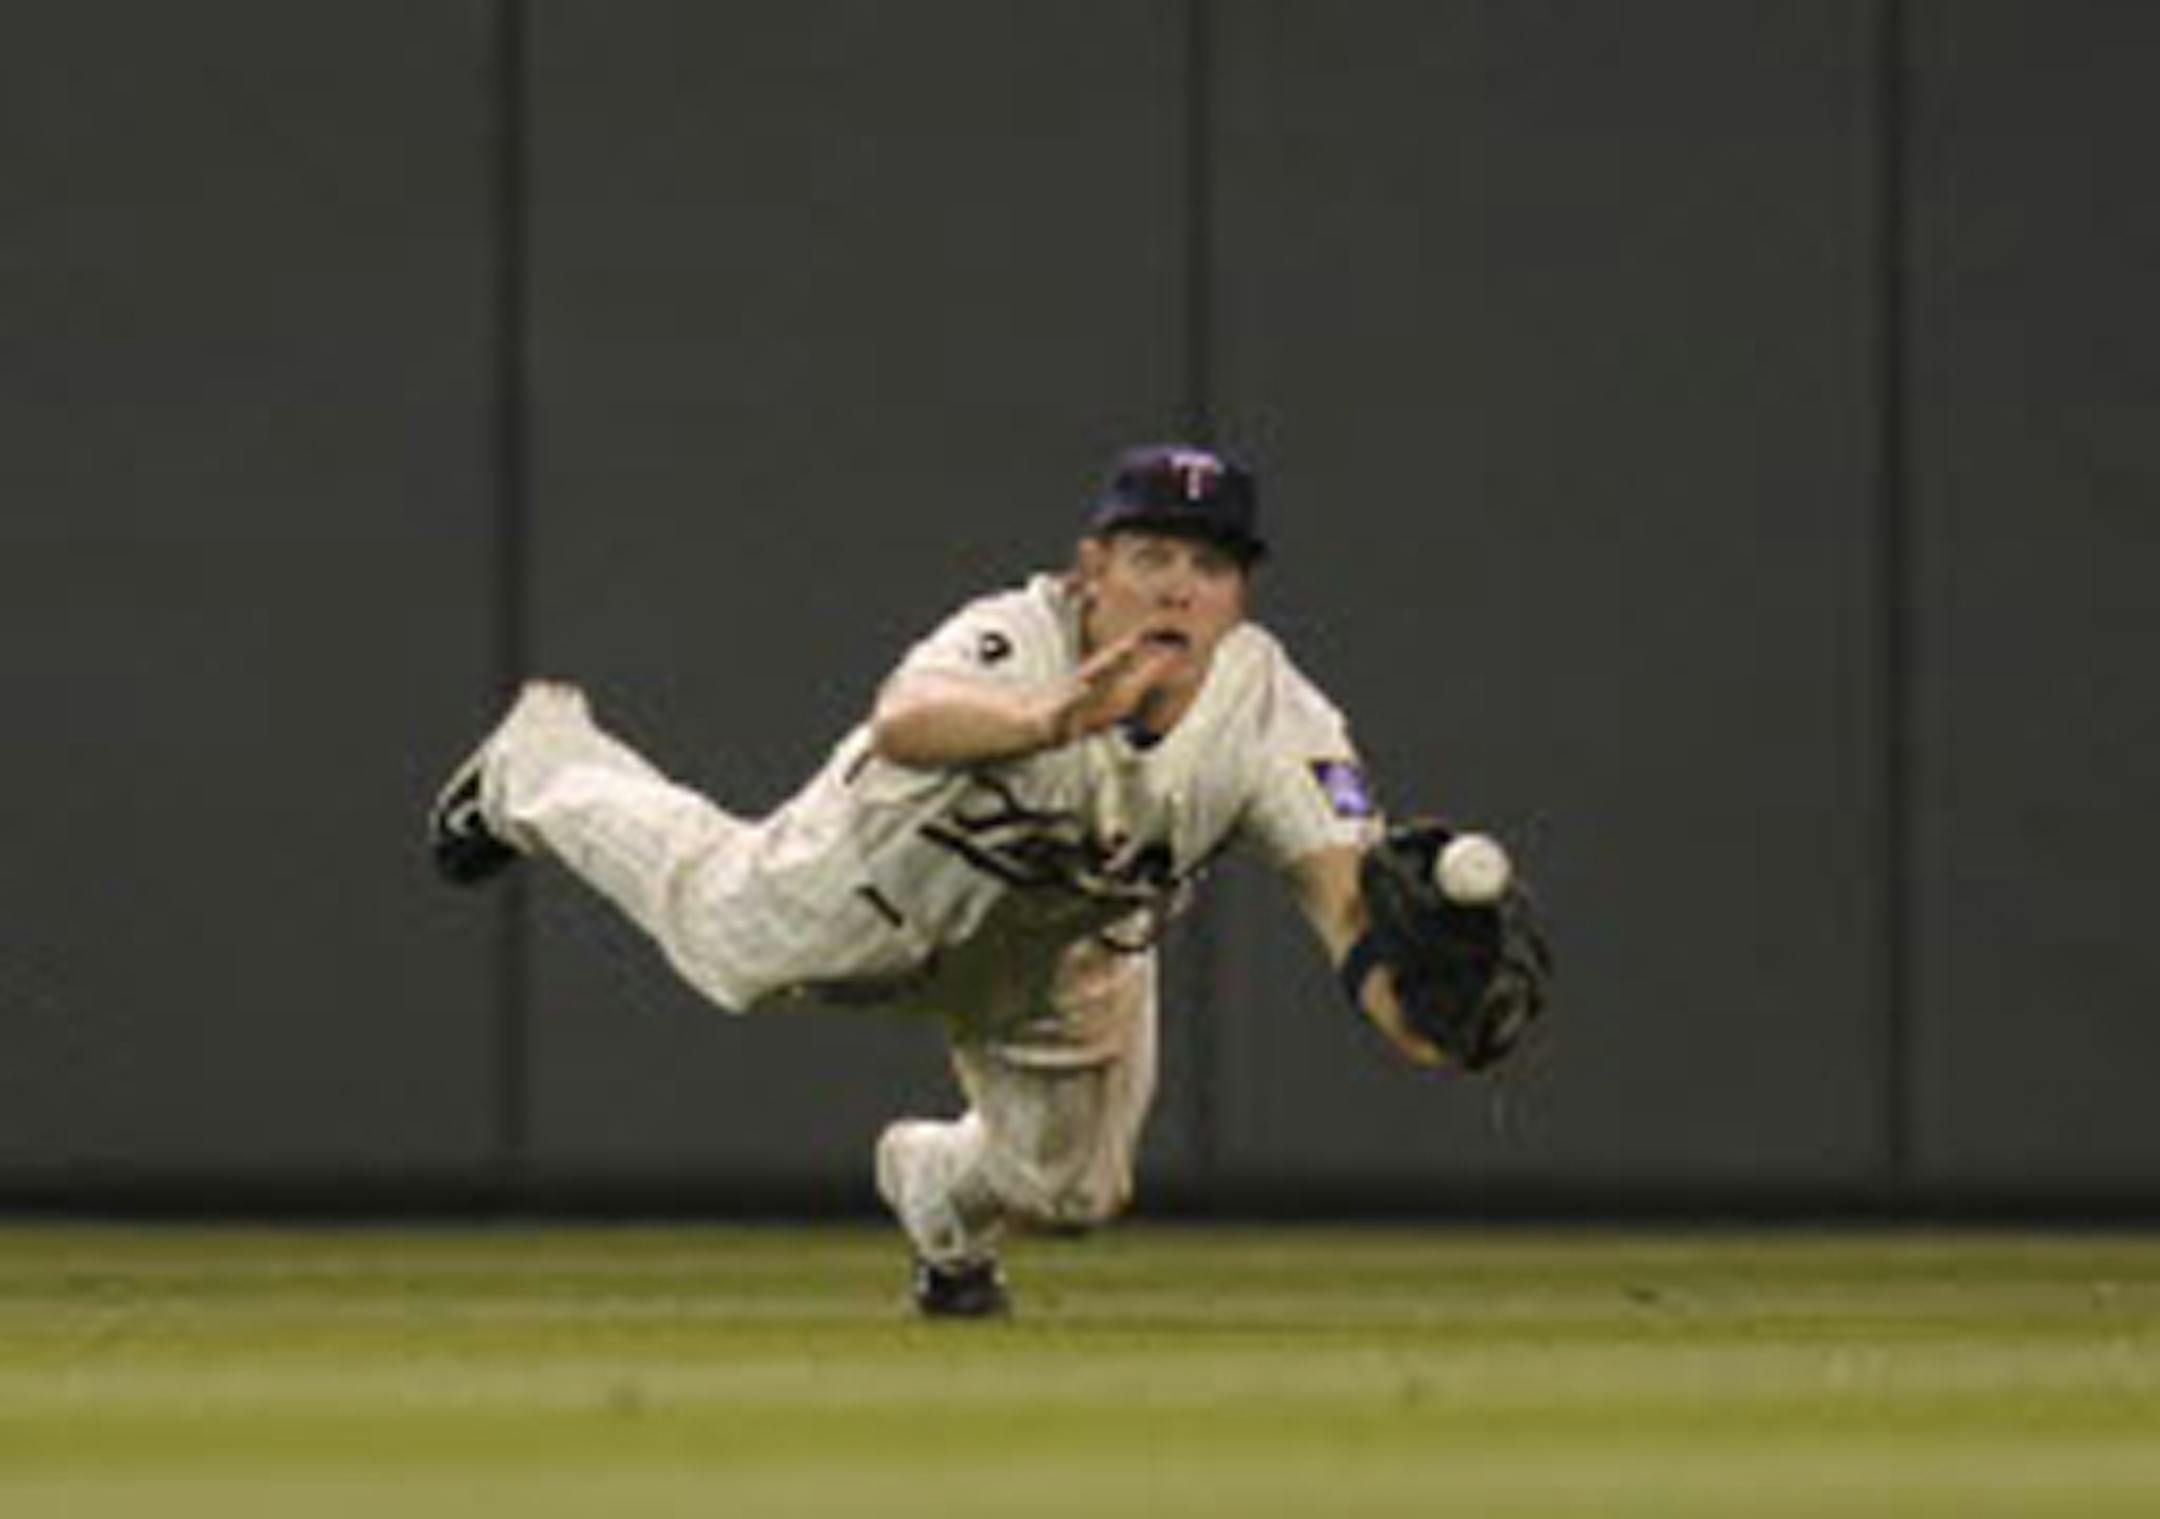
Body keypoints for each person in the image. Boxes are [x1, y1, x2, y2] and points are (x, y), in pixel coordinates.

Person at [428, 444, 1447, 1317]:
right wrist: (1044, 718)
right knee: (716, 933)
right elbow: (907, 716)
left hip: (1063, 955)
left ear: (1241, 593)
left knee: (1073, 1191)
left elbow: (1344, 904)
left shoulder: (1278, 716)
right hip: (878, 882)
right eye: (1151, 555)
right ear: (1092, 568)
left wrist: (1420, 1019)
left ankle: (934, 1198)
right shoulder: (1016, 632)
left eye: (1211, 564)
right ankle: (540, 758)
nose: (1179, 586)